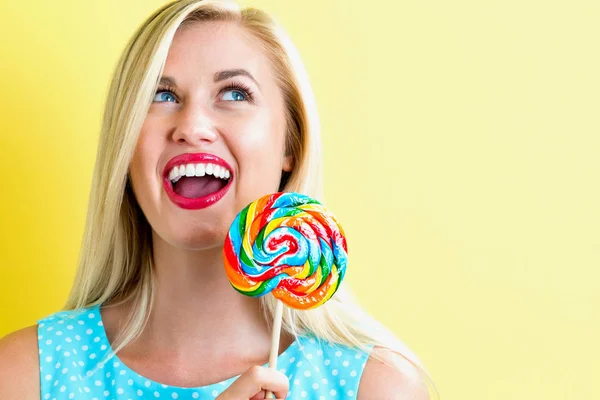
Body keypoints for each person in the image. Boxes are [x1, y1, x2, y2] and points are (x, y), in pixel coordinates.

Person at [0, 0, 439, 398]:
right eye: (161, 94)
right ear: (125, 144)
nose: (192, 126)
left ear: (291, 145)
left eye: (235, 94)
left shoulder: (376, 386)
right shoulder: (24, 375)